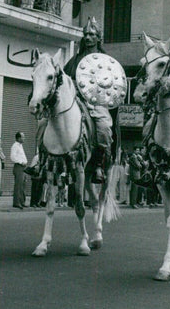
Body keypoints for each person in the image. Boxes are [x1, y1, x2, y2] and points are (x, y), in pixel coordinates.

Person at [29, 17, 115, 184]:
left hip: (94, 102)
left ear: (98, 38)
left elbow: (110, 84)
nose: (88, 38)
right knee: (42, 123)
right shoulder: (75, 60)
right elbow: (62, 80)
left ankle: (98, 163)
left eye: (92, 35)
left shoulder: (105, 61)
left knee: (104, 127)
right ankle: (40, 160)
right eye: (86, 35)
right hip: (73, 99)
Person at [10, 131, 28, 209]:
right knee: (18, 185)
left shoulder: (20, 146)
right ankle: (16, 203)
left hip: (23, 167)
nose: (24, 138)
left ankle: (22, 201)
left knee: (23, 185)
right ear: (18, 138)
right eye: (22, 137)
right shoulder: (15, 146)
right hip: (19, 166)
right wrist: (21, 162)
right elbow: (13, 157)